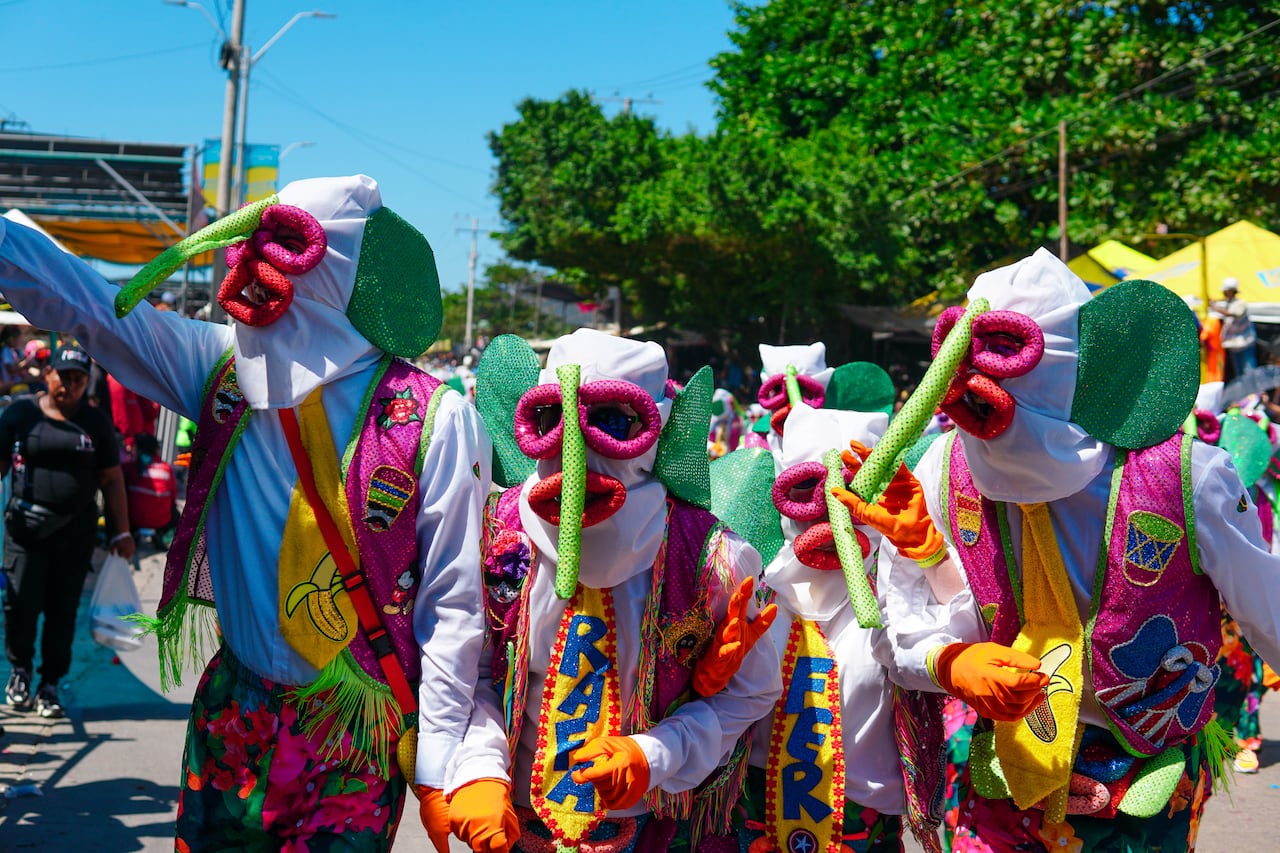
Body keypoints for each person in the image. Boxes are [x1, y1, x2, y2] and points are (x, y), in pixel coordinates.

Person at [0, 175, 492, 851]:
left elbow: (453, 602)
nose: (256, 267)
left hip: (354, 731)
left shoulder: (439, 417)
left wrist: (440, 763)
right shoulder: (218, 369)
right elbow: (91, 306)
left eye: (284, 246)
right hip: (237, 711)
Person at [850, 250, 1280, 852]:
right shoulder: (941, 468)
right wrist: (947, 659)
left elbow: (1271, 615)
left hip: (1145, 778)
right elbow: (902, 624)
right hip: (1004, 773)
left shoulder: (1189, 476)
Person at [461, 329, 781, 852]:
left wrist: (656, 753)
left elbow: (752, 691)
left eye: (611, 421)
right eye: (553, 419)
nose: (576, 449)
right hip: (512, 819)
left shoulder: (713, 557)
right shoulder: (493, 532)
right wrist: (479, 767)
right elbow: (466, 667)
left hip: (646, 825)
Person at [1, 344, 135, 719]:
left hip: (74, 536)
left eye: (79, 379)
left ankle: (50, 684)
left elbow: (111, 479)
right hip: (25, 533)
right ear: (48, 375)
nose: (71, 385)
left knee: (62, 612)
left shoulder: (96, 422)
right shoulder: (21, 414)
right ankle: (21, 672)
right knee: (21, 606)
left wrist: (121, 532)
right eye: (64, 377)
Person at [123, 432, 179, 549]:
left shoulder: (130, 467)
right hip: (161, 520)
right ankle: (162, 537)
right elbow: (173, 497)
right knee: (176, 514)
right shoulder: (166, 469)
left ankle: (130, 534)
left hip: (134, 518)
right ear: (156, 450)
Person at [1214, 276, 1257, 379]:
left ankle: (1252, 389)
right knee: (1239, 374)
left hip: (1245, 343)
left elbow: (1232, 314)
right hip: (1233, 346)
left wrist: (1214, 307)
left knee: (1249, 372)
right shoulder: (1226, 304)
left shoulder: (1240, 304)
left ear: (1231, 291)